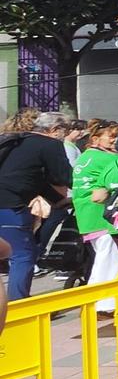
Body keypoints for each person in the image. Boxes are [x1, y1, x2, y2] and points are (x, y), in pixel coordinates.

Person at [0, 112, 73, 299]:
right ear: (55, 129)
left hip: (6, 201)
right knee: (22, 255)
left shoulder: (15, 141)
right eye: (66, 130)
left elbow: (33, 179)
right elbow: (62, 177)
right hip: (10, 206)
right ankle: (18, 304)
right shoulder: (50, 144)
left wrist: (56, 200)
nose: (67, 135)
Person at [71, 120, 118, 311]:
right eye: (112, 137)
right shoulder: (107, 159)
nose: (115, 141)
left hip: (87, 214)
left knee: (103, 255)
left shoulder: (85, 157)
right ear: (96, 139)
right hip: (102, 214)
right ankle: (103, 303)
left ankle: (100, 301)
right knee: (108, 256)